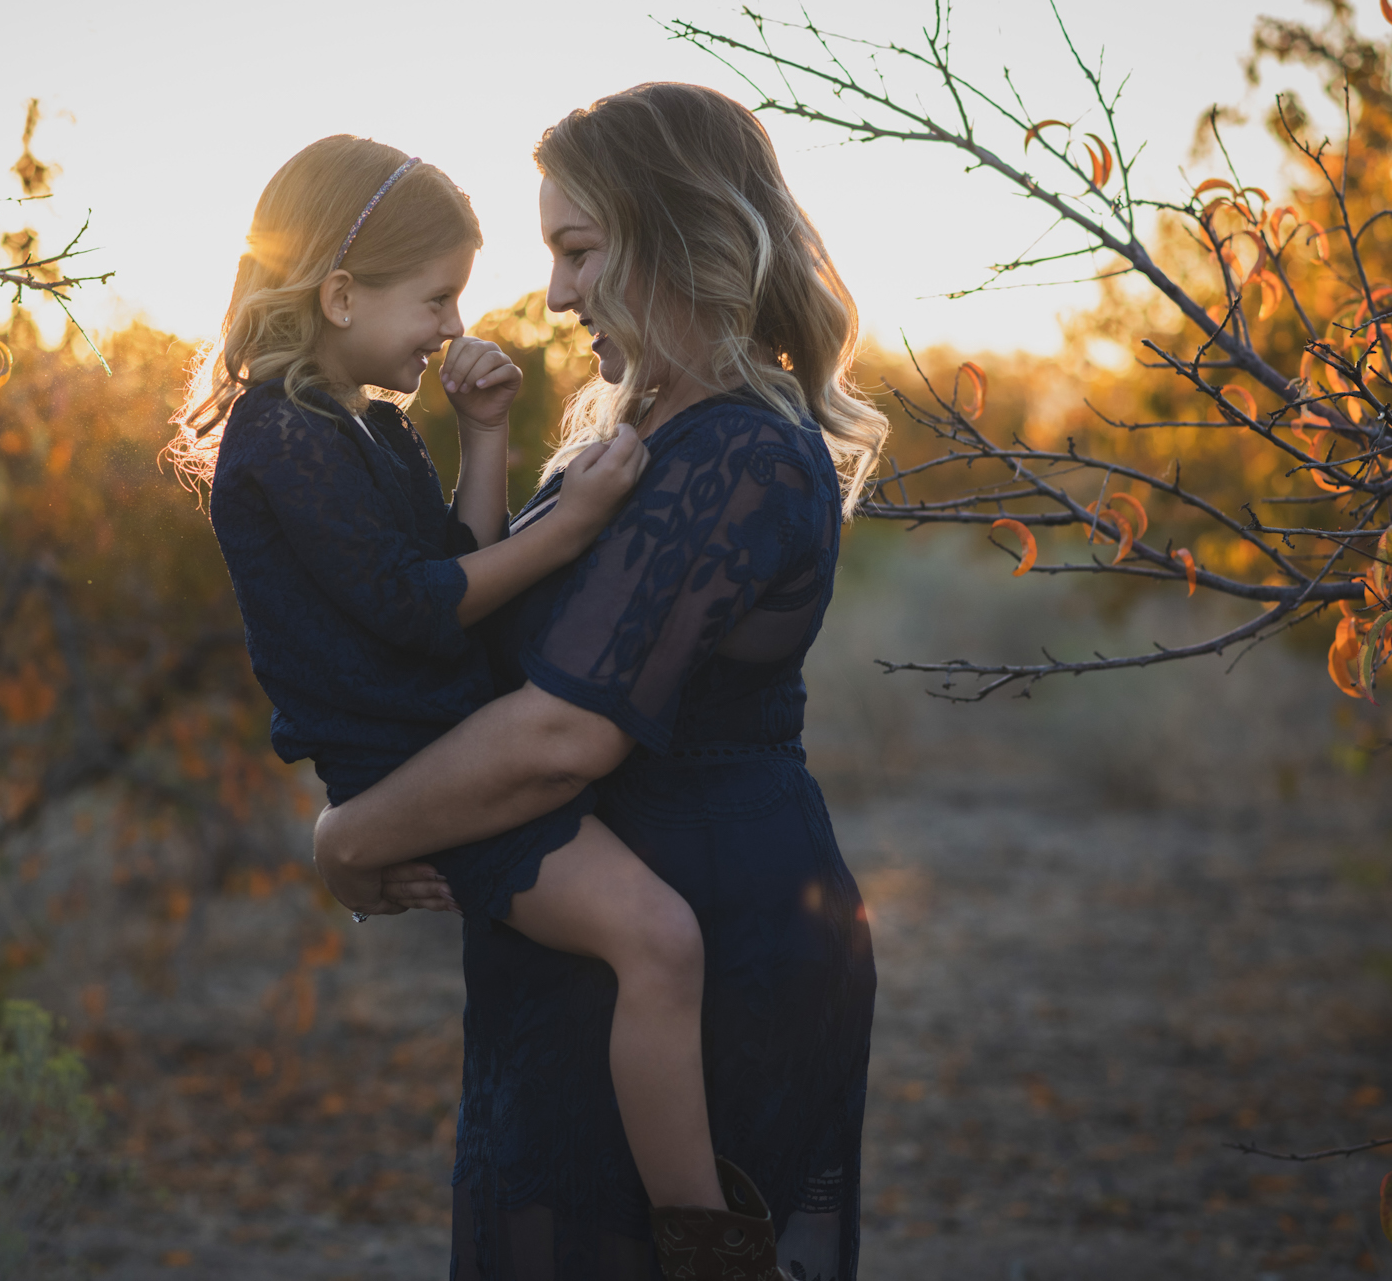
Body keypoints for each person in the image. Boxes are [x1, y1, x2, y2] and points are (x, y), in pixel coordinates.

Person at [312, 84, 890, 1281]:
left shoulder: (734, 447)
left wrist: (348, 837)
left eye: (578, 250)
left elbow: (563, 735)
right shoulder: (638, 433)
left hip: (712, 945)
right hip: (594, 940)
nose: (559, 293)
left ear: (679, 233)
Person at [166, 135, 734, 1246]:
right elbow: (419, 607)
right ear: (337, 295)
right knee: (657, 942)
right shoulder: (279, 436)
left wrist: (482, 437)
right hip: (415, 767)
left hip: (453, 735)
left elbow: (457, 558)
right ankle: (706, 1242)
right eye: (435, 298)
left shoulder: (366, 425)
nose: (450, 325)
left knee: (653, 939)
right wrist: (573, 520)